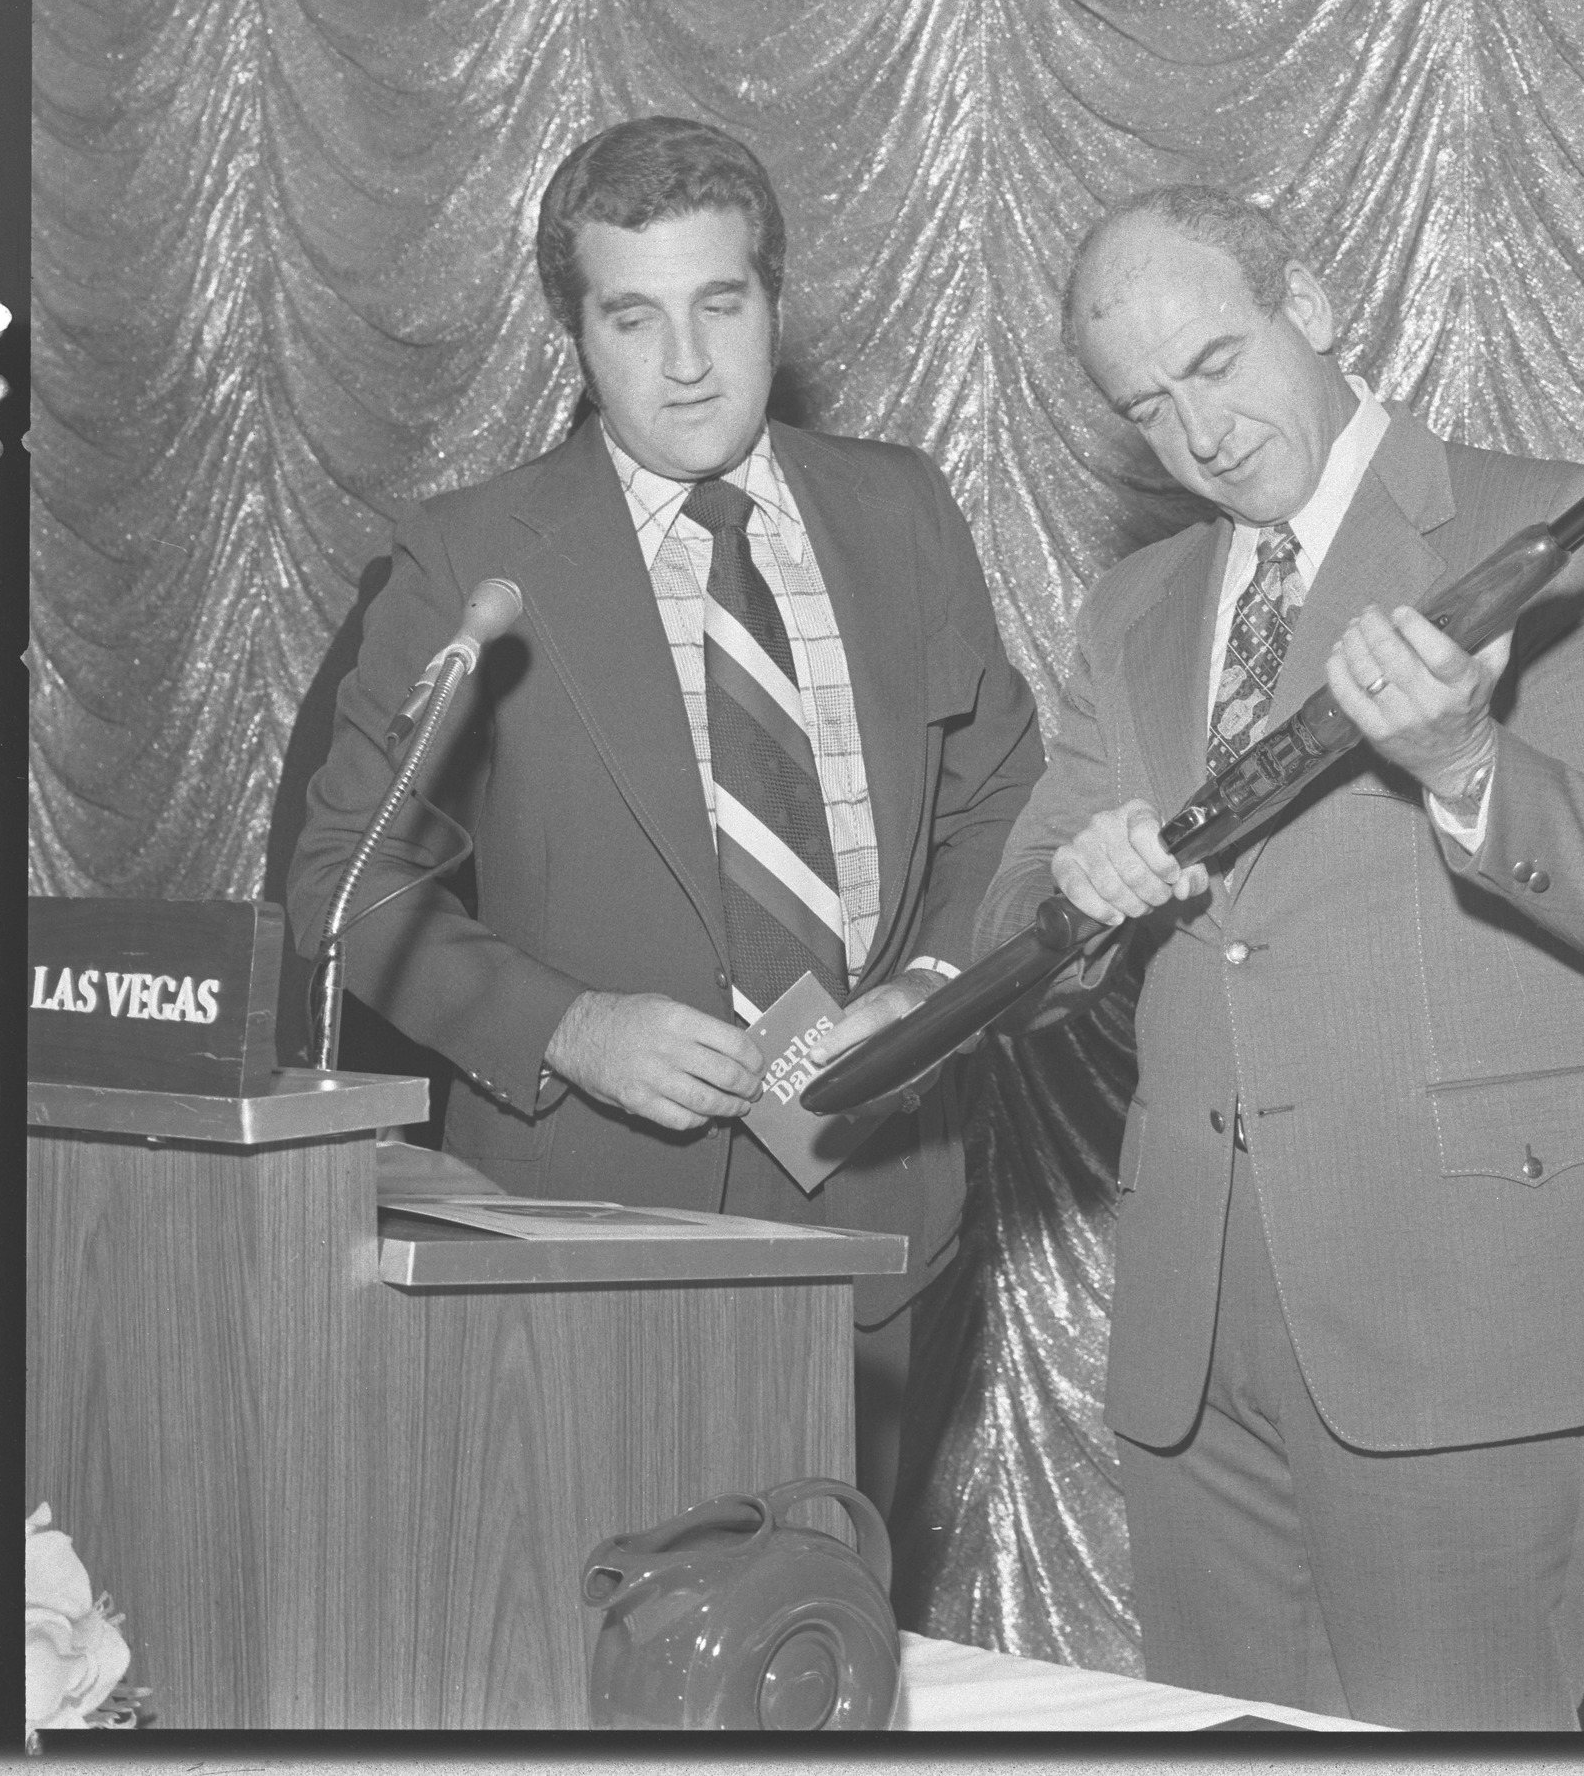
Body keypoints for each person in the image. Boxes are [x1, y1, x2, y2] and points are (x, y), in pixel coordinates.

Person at [976, 187, 1584, 1730]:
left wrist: (1469, 765)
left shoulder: (1546, 524)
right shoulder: (1136, 603)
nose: (1196, 430)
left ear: (1310, 304)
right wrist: (1071, 894)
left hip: (1463, 1304)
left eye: (1214, 359)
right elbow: (1007, 939)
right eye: (1146, 408)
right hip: (1196, 1329)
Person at [288, 115, 1043, 1539]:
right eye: (633, 317)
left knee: (829, 1644)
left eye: (721, 304)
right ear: (574, 332)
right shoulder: (472, 554)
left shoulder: (900, 506)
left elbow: (999, 792)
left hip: (874, 1198)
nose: (685, 362)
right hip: (583, 1224)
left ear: (776, 298)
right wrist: (563, 1027)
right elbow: (344, 881)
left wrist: (931, 988)